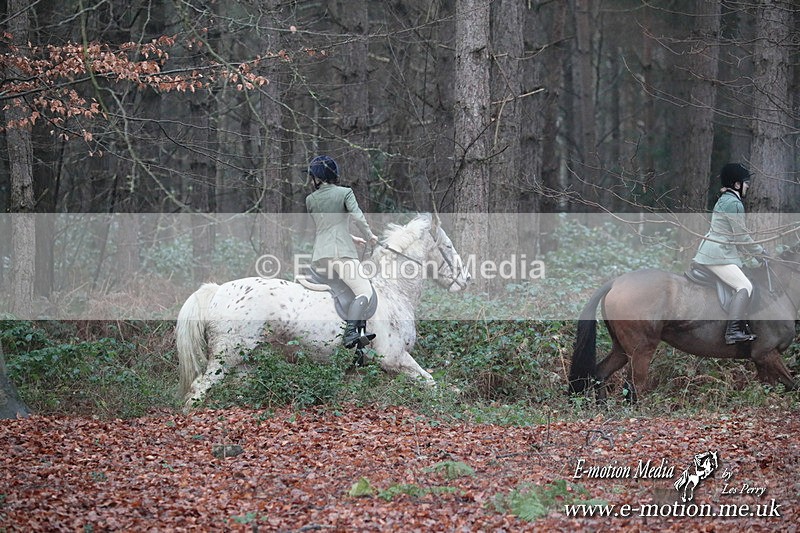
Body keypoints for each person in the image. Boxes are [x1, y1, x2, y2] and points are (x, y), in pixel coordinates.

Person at [305, 155, 379, 348]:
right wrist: (370, 236)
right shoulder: (345, 193)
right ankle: (350, 334)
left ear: (317, 178)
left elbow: (327, 227)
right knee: (364, 290)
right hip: (340, 254)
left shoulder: (310, 199)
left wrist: (352, 239)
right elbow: (358, 217)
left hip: (320, 256)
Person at [693, 163, 766, 344]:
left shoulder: (724, 199)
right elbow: (741, 236)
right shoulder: (734, 203)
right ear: (737, 184)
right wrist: (761, 253)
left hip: (714, 249)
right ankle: (733, 331)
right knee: (745, 287)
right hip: (718, 254)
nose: (748, 186)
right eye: (746, 183)